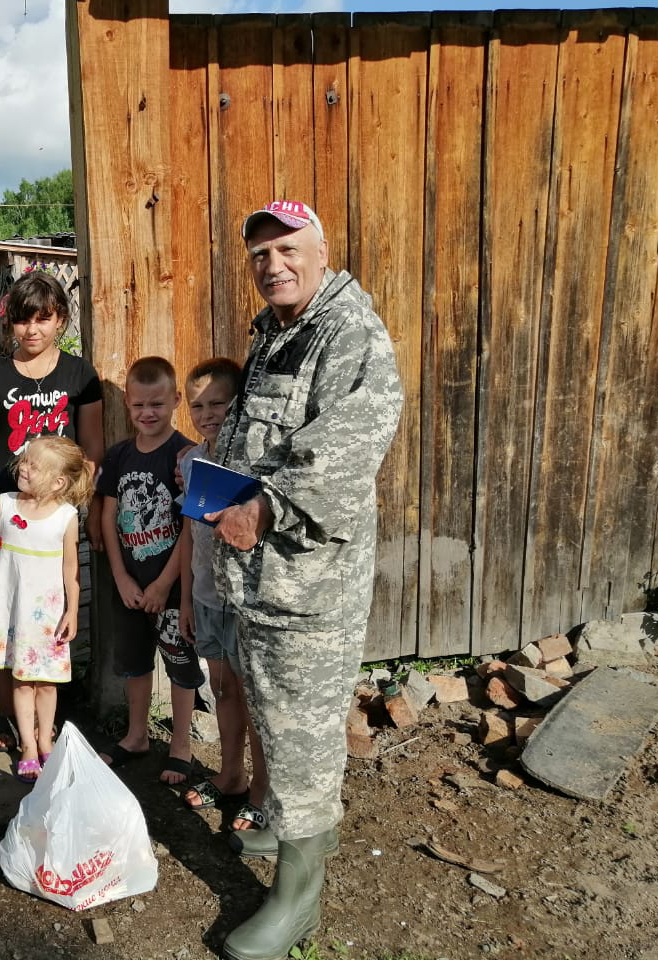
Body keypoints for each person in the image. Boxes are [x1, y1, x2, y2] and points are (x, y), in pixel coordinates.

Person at [209, 200, 402, 960]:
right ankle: (287, 833)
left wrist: (267, 504)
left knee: (306, 730)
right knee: (276, 713)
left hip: (309, 582)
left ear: (321, 253)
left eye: (288, 249)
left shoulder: (349, 330)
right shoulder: (278, 333)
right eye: (260, 254)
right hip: (261, 578)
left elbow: (349, 447)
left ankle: (298, 901)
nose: (273, 265)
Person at [0, 271, 104, 753]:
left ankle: (48, 716)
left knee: (49, 617)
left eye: (44, 318)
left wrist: (82, 509)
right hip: (5, 510)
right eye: (23, 320)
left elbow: (92, 450)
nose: (33, 330)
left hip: (55, 517)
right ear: (11, 324)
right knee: (3, 613)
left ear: (61, 318)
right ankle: (9, 715)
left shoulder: (80, 375)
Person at [96, 356, 204, 785]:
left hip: (172, 588)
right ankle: (136, 735)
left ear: (176, 400)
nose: (148, 413)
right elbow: (108, 516)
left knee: (180, 664)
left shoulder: (185, 457)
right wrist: (121, 577)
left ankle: (181, 746)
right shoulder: (119, 455)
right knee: (135, 664)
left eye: (157, 404)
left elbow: (190, 528)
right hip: (129, 586)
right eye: (139, 404)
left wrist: (164, 585)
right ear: (127, 402)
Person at [176, 358, 268, 829]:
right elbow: (192, 534)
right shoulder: (191, 461)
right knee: (224, 688)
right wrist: (187, 599)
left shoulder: (254, 465)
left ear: (239, 405)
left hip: (247, 603)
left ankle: (261, 792)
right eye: (198, 405)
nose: (208, 413)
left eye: (219, 403)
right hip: (208, 598)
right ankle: (230, 776)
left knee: (255, 699)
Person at [0, 436, 94, 782]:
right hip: (10, 608)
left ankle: (45, 742)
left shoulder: (67, 517)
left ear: (58, 481)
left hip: (47, 617)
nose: (23, 468)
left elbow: (71, 571)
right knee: (21, 681)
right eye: (24, 461)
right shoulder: (5, 503)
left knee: (47, 683)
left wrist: (71, 612)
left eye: (33, 465)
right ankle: (27, 745)